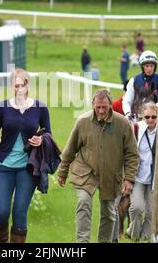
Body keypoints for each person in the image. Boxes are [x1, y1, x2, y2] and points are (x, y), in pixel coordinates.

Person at [0, 68, 51, 243]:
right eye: (16, 85)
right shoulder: (2, 108)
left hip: (28, 169)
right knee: (1, 214)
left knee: (19, 214)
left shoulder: (40, 108)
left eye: (22, 85)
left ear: (28, 85)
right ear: (12, 86)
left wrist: (41, 140)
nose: (19, 89)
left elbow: (48, 133)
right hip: (3, 168)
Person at [57, 89, 139, 243]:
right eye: (98, 107)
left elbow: (132, 154)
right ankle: (82, 243)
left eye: (104, 107)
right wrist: (62, 172)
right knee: (83, 202)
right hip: (85, 171)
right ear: (93, 105)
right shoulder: (83, 121)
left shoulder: (123, 124)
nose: (101, 111)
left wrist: (129, 179)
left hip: (111, 173)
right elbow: (70, 148)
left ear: (110, 105)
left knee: (108, 212)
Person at [127, 102, 157, 241]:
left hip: (154, 178)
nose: (150, 120)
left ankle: (144, 237)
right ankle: (133, 235)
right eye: (147, 117)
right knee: (137, 208)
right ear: (142, 117)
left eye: (153, 116)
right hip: (138, 176)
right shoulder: (136, 129)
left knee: (151, 212)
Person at [122, 50, 158, 118]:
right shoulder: (134, 80)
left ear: (155, 67)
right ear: (142, 67)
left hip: (154, 118)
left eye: (151, 66)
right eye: (147, 66)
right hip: (137, 118)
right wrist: (128, 113)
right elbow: (127, 101)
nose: (149, 69)